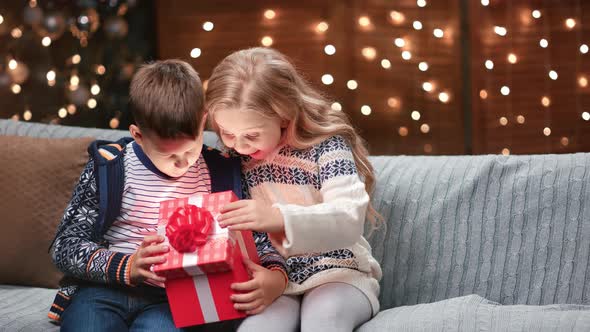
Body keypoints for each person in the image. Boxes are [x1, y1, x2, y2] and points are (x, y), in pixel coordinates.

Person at [48, 59, 287, 331]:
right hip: (104, 290)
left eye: (190, 150)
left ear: (203, 121)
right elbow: (65, 246)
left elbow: (257, 237)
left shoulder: (221, 171)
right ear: (138, 135)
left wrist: (275, 276)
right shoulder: (110, 167)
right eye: (169, 155)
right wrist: (126, 266)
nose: (182, 163)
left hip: (174, 299)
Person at [205, 47, 383, 332]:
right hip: (277, 280)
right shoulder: (232, 159)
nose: (238, 145)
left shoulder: (327, 147)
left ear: (284, 116)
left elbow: (349, 217)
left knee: (323, 319)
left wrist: (278, 218)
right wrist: (268, 279)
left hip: (339, 273)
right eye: (227, 133)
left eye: (251, 135)